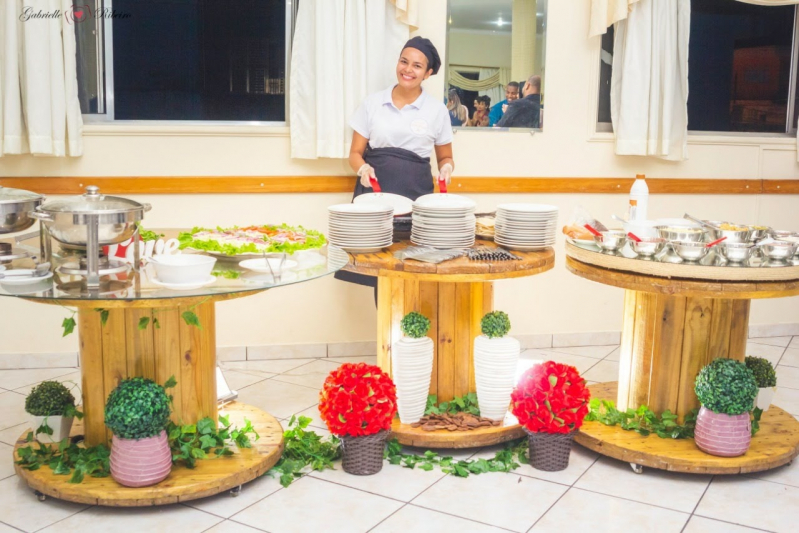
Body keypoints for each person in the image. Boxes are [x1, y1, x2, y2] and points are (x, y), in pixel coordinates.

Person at [337, 36, 455, 292]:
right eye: (404, 61)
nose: (407, 70)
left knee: (415, 267)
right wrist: (362, 168)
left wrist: (447, 168)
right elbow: (355, 153)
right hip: (374, 196)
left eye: (417, 66)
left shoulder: (437, 111)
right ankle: (388, 332)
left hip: (417, 195)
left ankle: (413, 332)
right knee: (380, 270)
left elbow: (445, 157)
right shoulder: (372, 103)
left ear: (428, 73)